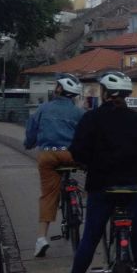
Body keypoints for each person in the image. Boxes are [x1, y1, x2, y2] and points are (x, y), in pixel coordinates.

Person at [62, 71, 137, 273]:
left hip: (101, 186)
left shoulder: (91, 119)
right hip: (132, 186)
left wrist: (88, 163)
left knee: (90, 237)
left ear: (105, 93)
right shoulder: (136, 120)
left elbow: (76, 150)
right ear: (127, 95)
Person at [23, 73, 85, 257]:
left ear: (59, 89)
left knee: (49, 194)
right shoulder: (79, 113)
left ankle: (41, 238)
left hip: (48, 155)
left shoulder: (43, 108)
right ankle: (80, 202)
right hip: (71, 155)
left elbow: (31, 133)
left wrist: (29, 143)